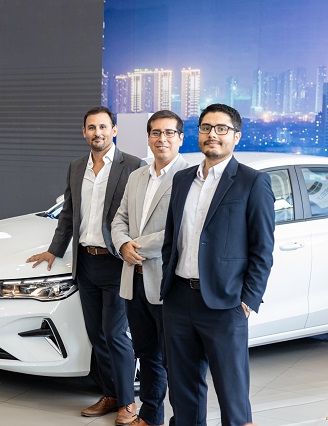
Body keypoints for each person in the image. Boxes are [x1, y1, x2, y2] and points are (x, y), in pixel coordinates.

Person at [161, 104, 275, 425]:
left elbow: (263, 249)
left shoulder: (252, 182)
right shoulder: (182, 179)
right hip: (178, 298)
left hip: (226, 303)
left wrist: (247, 301)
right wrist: (167, 287)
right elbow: (172, 237)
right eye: (206, 127)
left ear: (236, 136)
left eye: (221, 128)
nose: (212, 134)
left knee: (232, 393)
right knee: (182, 390)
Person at [27, 106, 141, 425]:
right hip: (85, 263)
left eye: (103, 127)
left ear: (114, 130)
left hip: (116, 263)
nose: (97, 133)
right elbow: (68, 213)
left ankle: (128, 403)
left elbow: (139, 215)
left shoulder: (133, 166)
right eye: (91, 128)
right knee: (97, 334)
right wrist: (54, 250)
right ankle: (110, 394)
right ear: (84, 132)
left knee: (115, 334)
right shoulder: (77, 166)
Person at [111, 110, 189, 426]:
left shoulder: (189, 176)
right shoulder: (137, 176)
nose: (162, 139)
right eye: (156, 132)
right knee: (147, 355)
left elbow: (180, 230)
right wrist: (121, 244)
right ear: (148, 137)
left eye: (169, 133)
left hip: (168, 284)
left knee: (175, 360)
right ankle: (150, 416)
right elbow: (119, 218)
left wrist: (135, 246)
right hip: (135, 281)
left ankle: (183, 419)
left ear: (180, 138)